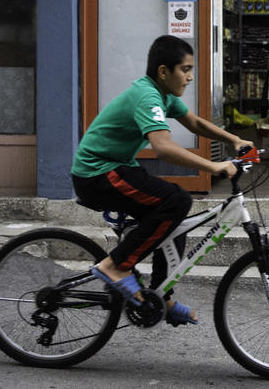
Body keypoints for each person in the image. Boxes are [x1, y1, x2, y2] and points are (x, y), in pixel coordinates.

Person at [71, 35, 250, 326]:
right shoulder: (148, 95)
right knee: (177, 199)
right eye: (185, 69)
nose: (190, 77)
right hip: (97, 173)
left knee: (173, 219)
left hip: (118, 168)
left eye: (191, 70)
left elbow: (194, 122)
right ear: (164, 71)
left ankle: (161, 293)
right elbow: (163, 147)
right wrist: (214, 166)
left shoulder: (164, 94)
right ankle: (115, 266)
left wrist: (234, 140)